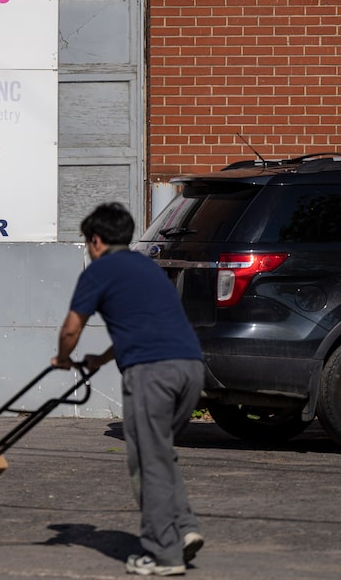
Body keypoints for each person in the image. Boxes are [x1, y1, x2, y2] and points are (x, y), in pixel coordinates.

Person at [51, 201, 205, 577]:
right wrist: (101, 360)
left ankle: (163, 554)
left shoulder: (99, 271)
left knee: (147, 462)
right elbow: (145, 326)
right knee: (160, 453)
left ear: (96, 240)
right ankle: (183, 528)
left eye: (87, 243)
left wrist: (63, 358)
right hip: (190, 367)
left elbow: (71, 328)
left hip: (151, 374)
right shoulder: (146, 267)